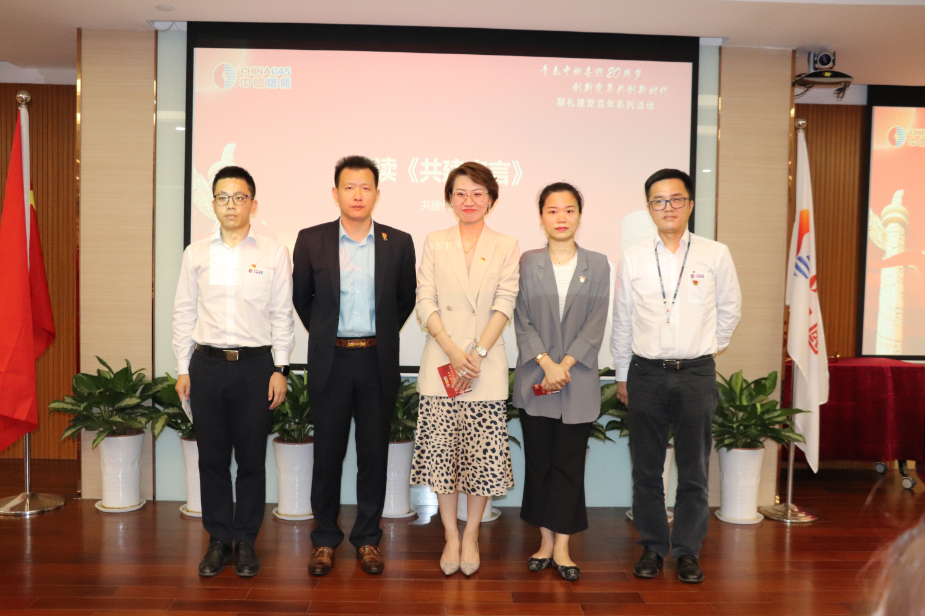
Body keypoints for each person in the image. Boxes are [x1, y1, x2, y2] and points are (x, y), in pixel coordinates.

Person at [610, 168, 741, 584]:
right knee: (646, 470)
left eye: (676, 199)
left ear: (690, 204)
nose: (668, 207)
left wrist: (704, 347)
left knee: (694, 469)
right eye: (659, 201)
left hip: (696, 373)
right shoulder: (633, 257)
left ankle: (687, 550)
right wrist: (622, 375)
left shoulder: (714, 254)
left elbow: (730, 310)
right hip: (645, 373)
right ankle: (652, 546)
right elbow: (622, 322)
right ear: (649, 207)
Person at [292, 156, 416, 576]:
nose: (358, 195)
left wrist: (378, 333)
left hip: (377, 360)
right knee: (327, 456)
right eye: (349, 187)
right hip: (332, 361)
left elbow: (404, 300)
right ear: (335, 193)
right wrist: (328, 333)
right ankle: (325, 540)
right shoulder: (311, 240)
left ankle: (367, 539)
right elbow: (302, 299)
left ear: (377, 193)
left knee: (373, 456)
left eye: (366, 187)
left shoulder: (398, 242)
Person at [172, 165, 294, 578]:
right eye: (223, 197)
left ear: (253, 205)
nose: (231, 205)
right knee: (212, 459)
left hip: (256, 367)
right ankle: (218, 540)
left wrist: (280, 368)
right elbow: (183, 313)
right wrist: (183, 367)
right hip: (205, 366)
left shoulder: (273, 253)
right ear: (213, 204)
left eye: (239, 197)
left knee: (252, 461)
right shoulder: (196, 254)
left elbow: (282, 316)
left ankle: (245, 542)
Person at [411, 162, 519, 577]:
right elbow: (425, 300)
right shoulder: (434, 242)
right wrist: (454, 351)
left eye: (478, 193)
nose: (469, 200)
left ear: (491, 199)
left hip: (484, 366)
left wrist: (477, 352)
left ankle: (471, 534)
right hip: (443, 362)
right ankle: (450, 535)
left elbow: (505, 302)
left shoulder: (506, 244)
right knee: (442, 458)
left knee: (482, 458)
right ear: (449, 199)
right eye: (460, 193)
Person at [513, 182, 610, 581]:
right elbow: (521, 319)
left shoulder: (598, 264)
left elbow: (596, 323)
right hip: (537, 378)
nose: (561, 218)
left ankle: (564, 547)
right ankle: (544, 543)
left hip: (578, 378)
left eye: (569, 210)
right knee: (539, 465)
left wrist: (564, 365)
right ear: (541, 217)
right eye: (552, 211)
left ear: (579, 216)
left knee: (569, 466)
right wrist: (546, 363)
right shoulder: (526, 262)